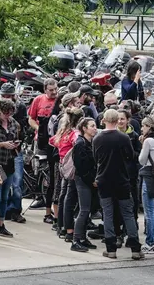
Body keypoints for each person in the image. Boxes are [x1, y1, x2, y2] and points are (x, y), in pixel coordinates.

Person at [94, 110, 144, 260]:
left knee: (108, 214)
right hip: (122, 179)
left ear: (104, 120)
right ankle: (135, 247)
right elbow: (130, 155)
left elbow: (95, 157)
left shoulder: (97, 138)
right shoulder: (123, 138)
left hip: (104, 179)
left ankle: (111, 248)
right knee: (128, 213)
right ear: (117, 121)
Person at [0, 99, 20, 238]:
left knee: (5, 197)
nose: (7, 116)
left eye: (10, 113)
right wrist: (3, 144)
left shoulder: (14, 123)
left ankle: (1, 224)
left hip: (9, 163)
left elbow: (17, 136)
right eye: (5, 113)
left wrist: (15, 144)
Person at [28, 78, 59, 220]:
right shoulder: (38, 100)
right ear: (45, 90)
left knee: (53, 175)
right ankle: (41, 197)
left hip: (55, 142)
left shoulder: (59, 101)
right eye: (51, 90)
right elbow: (31, 118)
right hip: (40, 141)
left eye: (55, 89)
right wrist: (39, 129)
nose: (54, 92)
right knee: (42, 171)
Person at [51, 106, 83, 241]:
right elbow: (78, 145)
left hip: (62, 164)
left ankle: (61, 225)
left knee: (63, 195)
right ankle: (67, 227)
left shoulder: (63, 132)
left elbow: (52, 141)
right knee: (69, 197)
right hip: (72, 167)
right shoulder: (75, 134)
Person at [0, 83, 29, 224]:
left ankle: (15, 210)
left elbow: (23, 126)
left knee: (16, 182)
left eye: (8, 96)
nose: (6, 98)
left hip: (15, 150)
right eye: (4, 96)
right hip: (1, 150)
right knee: (2, 182)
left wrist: (18, 140)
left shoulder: (21, 107)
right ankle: (4, 210)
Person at [71, 117, 99, 252]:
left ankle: (82, 238)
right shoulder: (80, 144)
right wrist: (91, 180)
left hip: (89, 180)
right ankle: (76, 240)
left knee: (86, 210)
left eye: (95, 126)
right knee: (84, 210)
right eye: (92, 126)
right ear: (84, 128)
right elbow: (80, 167)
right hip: (83, 180)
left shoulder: (90, 142)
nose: (95, 128)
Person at [138, 116, 154, 255]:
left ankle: (150, 242)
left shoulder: (148, 141)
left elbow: (142, 160)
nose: (142, 128)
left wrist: (143, 145)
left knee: (149, 213)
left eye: (144, 126)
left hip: (148, 176)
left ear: (149, 127)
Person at [117, 109, 141, 230]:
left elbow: (138, 154)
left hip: (130, 173)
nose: (120, 121)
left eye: (122, 119)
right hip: (116, 173)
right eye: (118, 119)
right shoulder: (112, 134)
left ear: (128, 120)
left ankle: (132, 224)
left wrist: (129, 153)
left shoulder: (134, 135)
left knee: (133, 199)